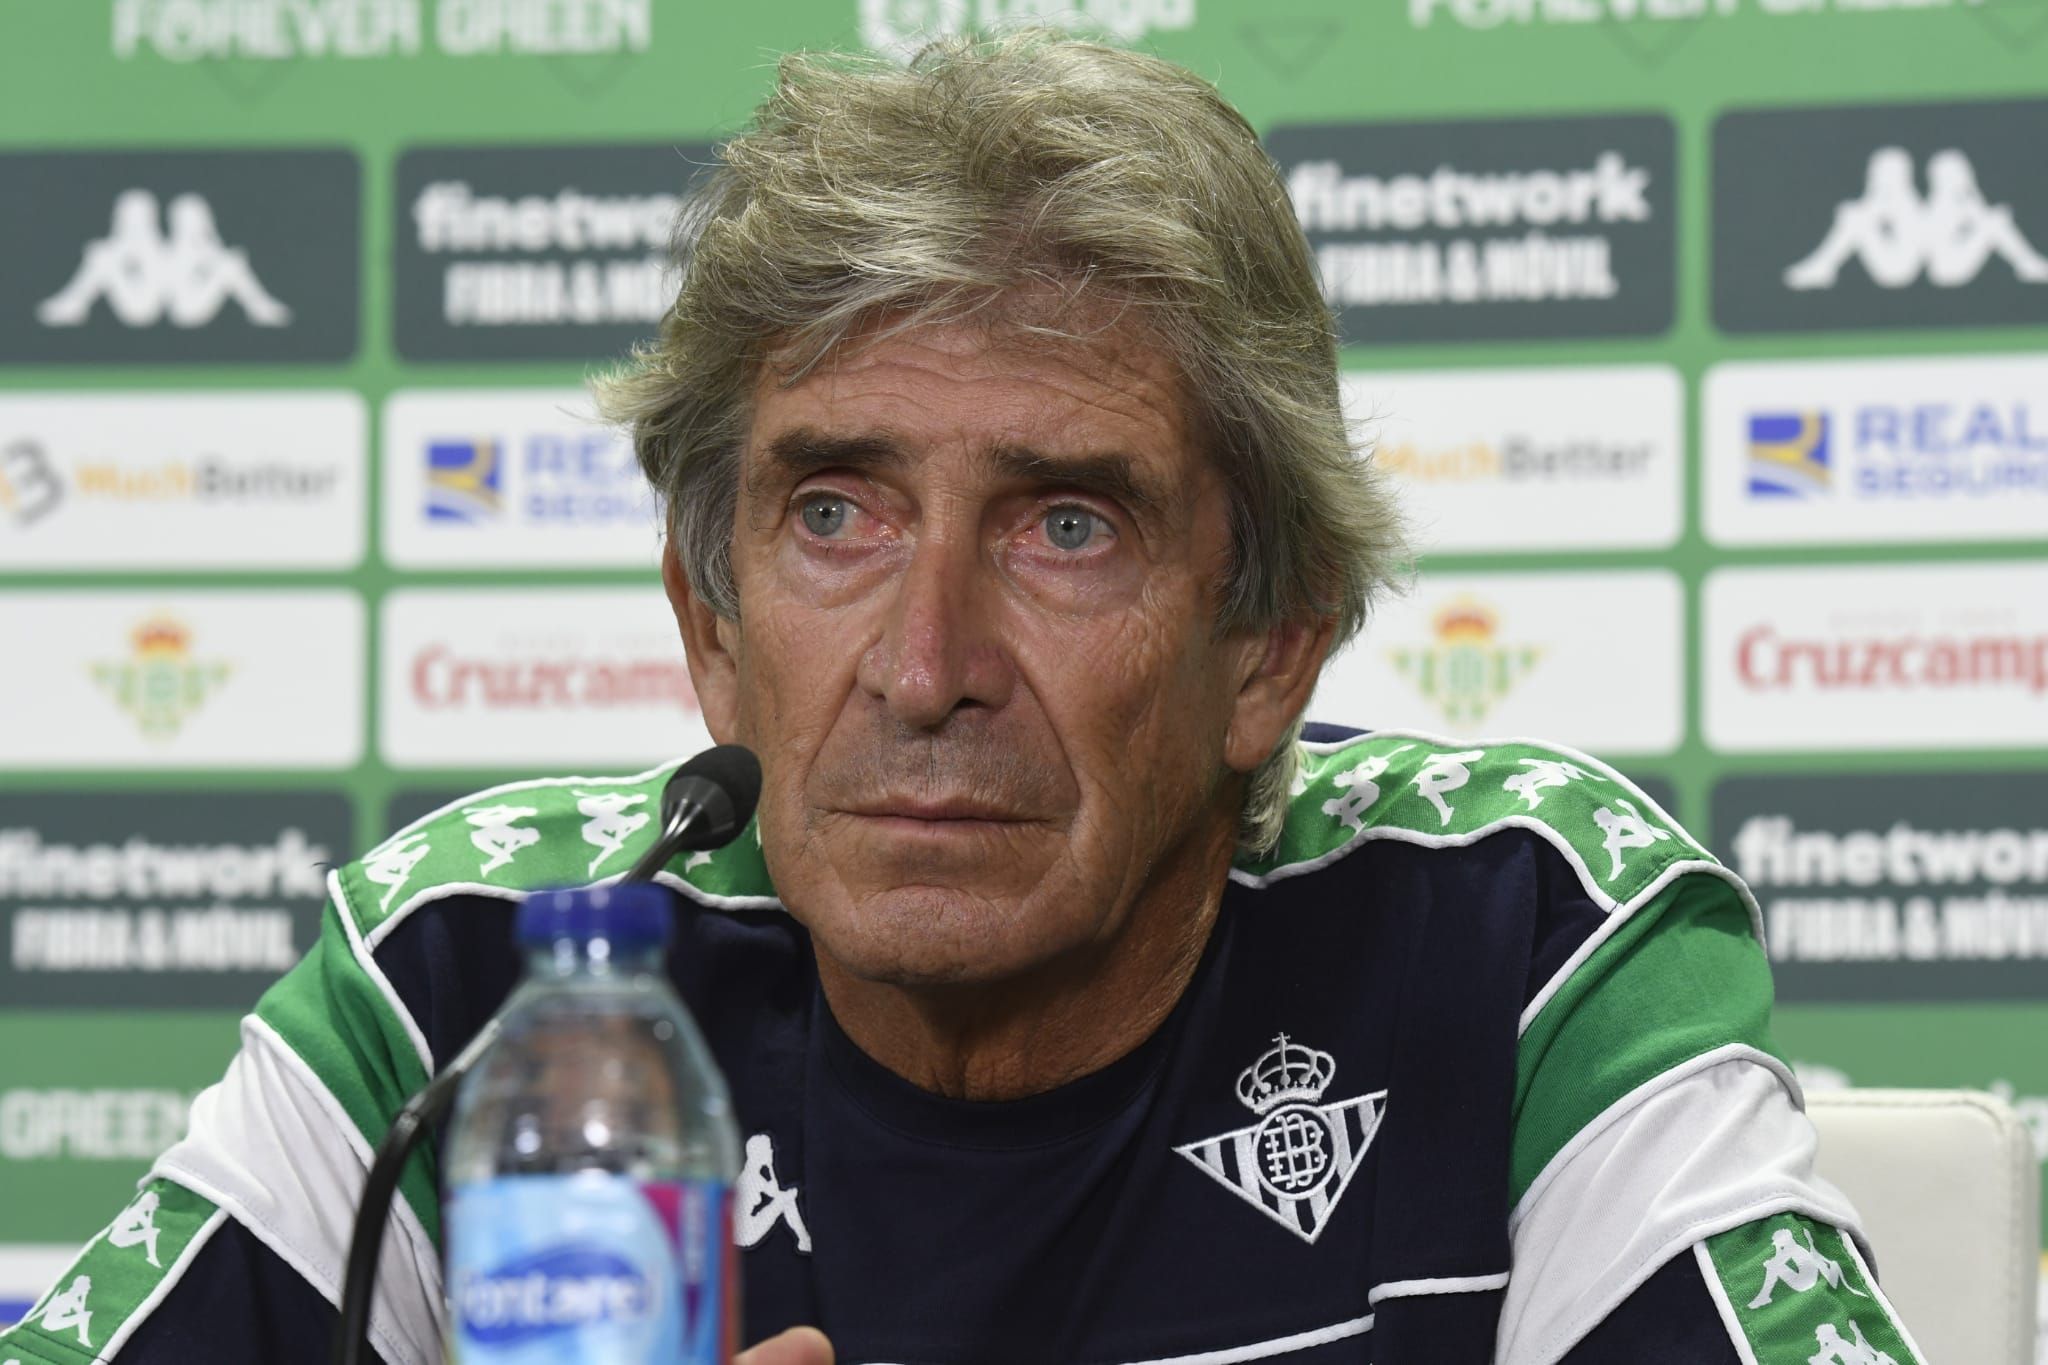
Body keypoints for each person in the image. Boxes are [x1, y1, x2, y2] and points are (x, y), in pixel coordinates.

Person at [1, 33, 1924, 1365]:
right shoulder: (486, 977)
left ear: (1269, 642)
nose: (926, 669)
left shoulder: (1525, 936)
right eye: (834, 511)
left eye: (1066, 523)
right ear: (710, 621)